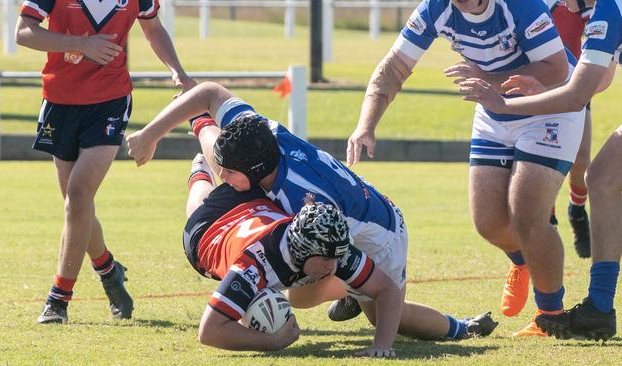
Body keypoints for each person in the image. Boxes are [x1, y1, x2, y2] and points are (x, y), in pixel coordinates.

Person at [125, 81, 498, 342]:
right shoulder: (260, 133)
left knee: (383, 313)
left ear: (256, 174)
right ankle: (349, 288)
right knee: (299, 293)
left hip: (382, 231)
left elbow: (314, 246)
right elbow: (208, 92)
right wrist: (151, 134)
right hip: (342, 214)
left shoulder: (306, 204)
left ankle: (460, 328)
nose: (224, 176)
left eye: (229, 172)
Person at [345, 0, 586, 336]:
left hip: (550, 106)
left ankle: (551, 314)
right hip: (493, 109)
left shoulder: (518, 5)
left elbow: (556, 68)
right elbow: (394, 67)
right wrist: (365, 126)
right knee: (487, 222)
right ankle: (524, 261)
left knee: (527, 212)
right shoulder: (434, 8)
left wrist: (487, 80)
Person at [183, 152, 497, 357]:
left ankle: (460, 326)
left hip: (259, 213)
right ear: (305, 251)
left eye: (338, 258)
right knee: (199, 202)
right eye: (328, 260)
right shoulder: (252, 266)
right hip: (210, 231)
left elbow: (387, 289)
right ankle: (199, 167)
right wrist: (272, 342)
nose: (336, 265)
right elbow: (209, 331)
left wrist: (381, 348)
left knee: (335, 296)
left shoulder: (329, 247)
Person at [17, 0, 196, 324]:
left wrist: (178, 71)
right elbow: (24, 33)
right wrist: (81, 44)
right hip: (59, 101)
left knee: (79, 195)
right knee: (76, 206)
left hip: (109, 101)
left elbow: (153, 29)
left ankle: (58, 299)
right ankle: (108, 269)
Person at [458, 0, 619, 341]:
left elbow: (579, 94)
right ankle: (600, 308)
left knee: (597, 173)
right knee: (602, 176)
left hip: (564, 101)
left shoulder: (610, 9)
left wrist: (503, 103)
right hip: (561, 95)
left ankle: (599, 306)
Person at [546, 0, 594, 259]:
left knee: (581, 159)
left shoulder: (577, 2)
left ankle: (577, 211)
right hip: (539, 89)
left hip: (577, 87)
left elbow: (600, 27)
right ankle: (547, 217)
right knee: (543, 156)